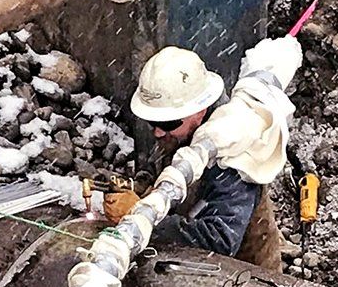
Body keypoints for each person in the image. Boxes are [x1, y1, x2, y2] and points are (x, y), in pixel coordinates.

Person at [114, 46, 291, 270]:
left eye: (167, 123)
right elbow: (157, 169)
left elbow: (220, 240)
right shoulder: (180, 127)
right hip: (189, 265)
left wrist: (142, 218)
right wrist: (139, 190)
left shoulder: (231, 157)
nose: (158, 132)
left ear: (200, 110)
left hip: (241, 281)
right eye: (152, 122)